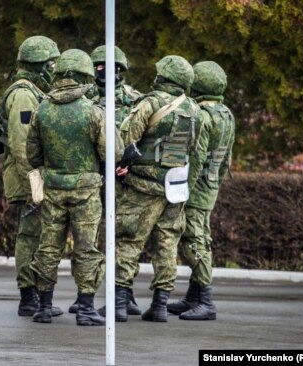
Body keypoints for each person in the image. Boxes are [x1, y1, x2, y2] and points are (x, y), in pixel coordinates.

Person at [27, 49, 124, 326]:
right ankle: (85, 308)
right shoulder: (93, 112)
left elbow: (32, 155)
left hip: (54, 188)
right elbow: (113, 153)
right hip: (86, 191)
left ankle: (44, 307)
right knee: (86, 248)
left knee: (48, 247)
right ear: (86, 75)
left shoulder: (42, 110)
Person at [113, 55, 206, 322]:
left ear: (163, 78)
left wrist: (121, 168)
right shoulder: (194, 110)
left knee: (128, 241)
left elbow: (125, 139)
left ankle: (120, 304)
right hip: (175, 189)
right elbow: (196, 152)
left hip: (142, 187)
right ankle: (160, 306)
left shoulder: (150, 102)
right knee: (167, 246)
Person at [67, 44, 144, 317]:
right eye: (98, 67)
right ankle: (83, 295)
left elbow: (142, 135)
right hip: (91, 177)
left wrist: (129, 164)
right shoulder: (83, 97)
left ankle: (126, 294)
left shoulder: (135, 100)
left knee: (125, 236)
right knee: (87, 240)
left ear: (120, 70)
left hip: (124, 180)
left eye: (109, 67)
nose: (103, 72)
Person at [0, 35, 63, 318]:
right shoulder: (24, 94)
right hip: (29, 180)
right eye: (51, 62)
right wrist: (36, 186)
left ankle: (36, 294)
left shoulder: (36, 90)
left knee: (39, 236)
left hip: (35, 177)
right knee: (30, 235)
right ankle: (28, 297)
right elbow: (21, 145)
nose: (54, 67)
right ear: (37, 64)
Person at [167, 61, 235, 321]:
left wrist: (183, 192)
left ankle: (206, 301)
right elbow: (226, 158)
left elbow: (195, 159)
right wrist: (214, 183)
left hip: (196, 190)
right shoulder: (226, 113)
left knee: (194, 242)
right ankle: (193, 297)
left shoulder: (203, 116)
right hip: (211, 186)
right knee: (202, 239)